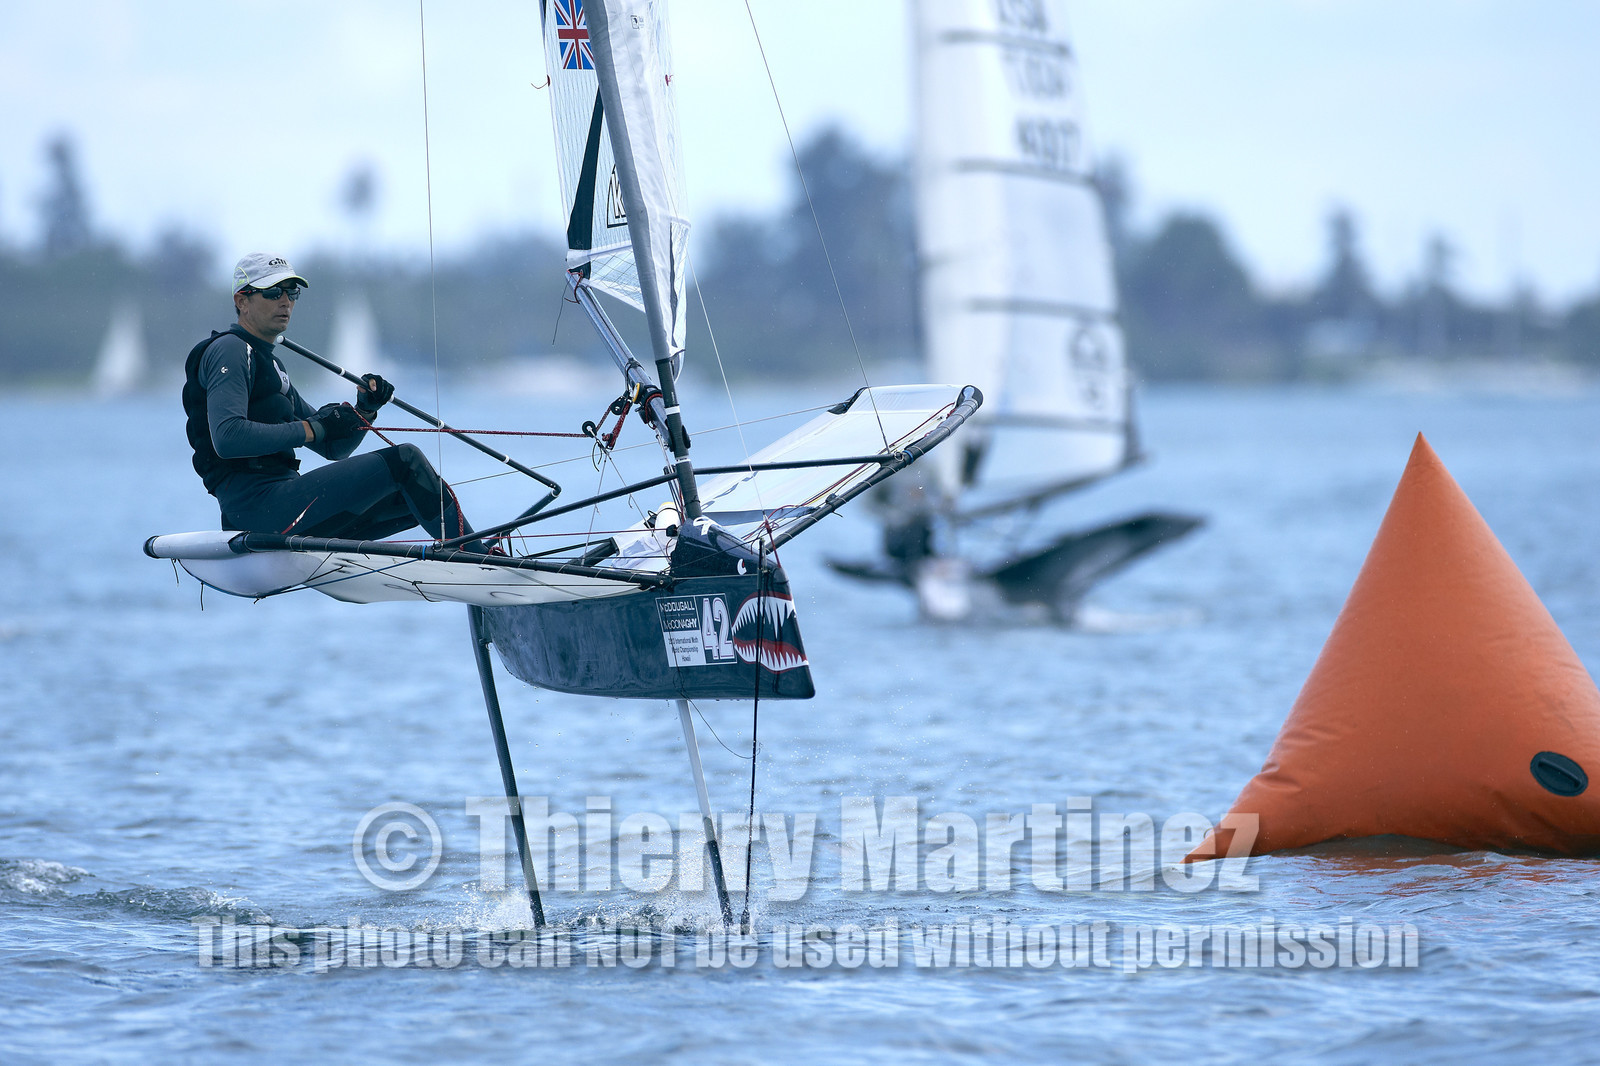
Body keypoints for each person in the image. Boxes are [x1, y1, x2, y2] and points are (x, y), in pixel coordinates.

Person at [182, 252, 495, 554]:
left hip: (283, 506)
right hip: (257, 511)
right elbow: (228, 437)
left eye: (291, 293)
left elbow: (333, 448)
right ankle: (480, 560)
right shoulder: (230, 350)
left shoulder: (272, 366)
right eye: (273, 291)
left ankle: (471, 560)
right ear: (242, 300)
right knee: (406, 461)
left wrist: (364, 410)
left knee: (413, 497)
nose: (285, 301)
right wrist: (312, 428)